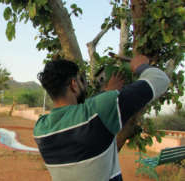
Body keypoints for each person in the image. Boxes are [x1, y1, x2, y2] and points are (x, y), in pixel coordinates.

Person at [33, 55, 170, 181]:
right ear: (73, 84)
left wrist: (105, 93)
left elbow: (82, 114)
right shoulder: (100, 110)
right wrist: (140, 66)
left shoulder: (40, 129)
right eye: (81, 80)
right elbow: (160, 79)